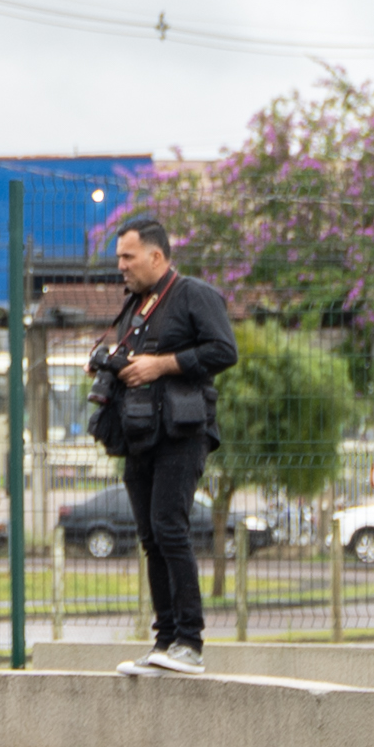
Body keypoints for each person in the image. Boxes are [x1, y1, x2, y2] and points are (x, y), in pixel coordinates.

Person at [88, 217, 238, 677]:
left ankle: (189, 643)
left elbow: (223, 351)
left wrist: (162, 364)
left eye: (127, 256)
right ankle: (165, 642)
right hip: (139, 432)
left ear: (156, 256)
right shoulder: (135, 305)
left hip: (181, 432)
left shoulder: (194, 295)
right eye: (118, 257)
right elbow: (135, 361)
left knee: (170, 527)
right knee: (151, 537)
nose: (120, 265)